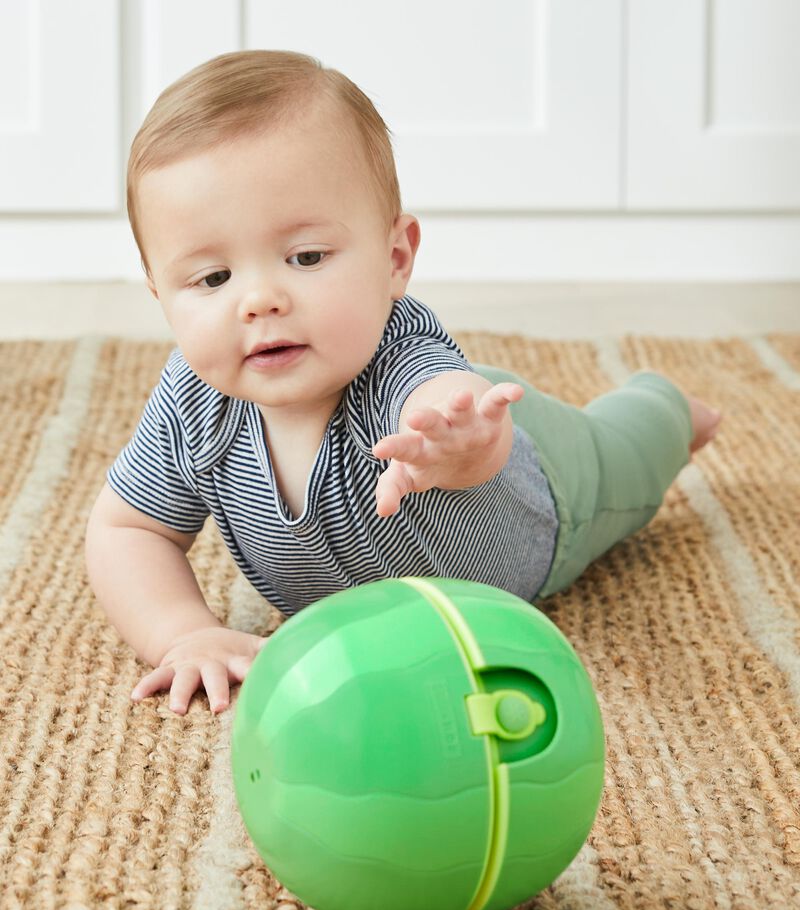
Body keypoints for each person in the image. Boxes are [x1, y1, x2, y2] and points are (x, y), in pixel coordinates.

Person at [85, 50, 721, 716]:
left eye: (305, 257)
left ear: (395, 258)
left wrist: (461, 440)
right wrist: (185, 633)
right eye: (212, 278)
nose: (259, 299)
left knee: (629, 450)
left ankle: (670, 405)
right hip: (463, 418)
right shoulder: (193, 400)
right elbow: (129, 530)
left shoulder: (401, 358)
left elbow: (440, 401)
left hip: (537, 480)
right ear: (161, 294)